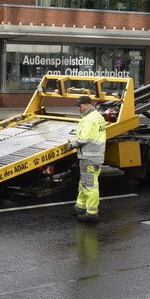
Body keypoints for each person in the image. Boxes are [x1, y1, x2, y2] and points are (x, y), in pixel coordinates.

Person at [66, 95, 107, 223]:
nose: (78, 108)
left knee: (90, 186)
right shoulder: (98, 116)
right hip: (95, 156)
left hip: (89, 157)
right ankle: (80, 206)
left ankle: (91, 214)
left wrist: (71, 145)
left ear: (86, 105)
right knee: (84, 183)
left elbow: (83, 140)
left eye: (79, 106)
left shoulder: (89, 120)